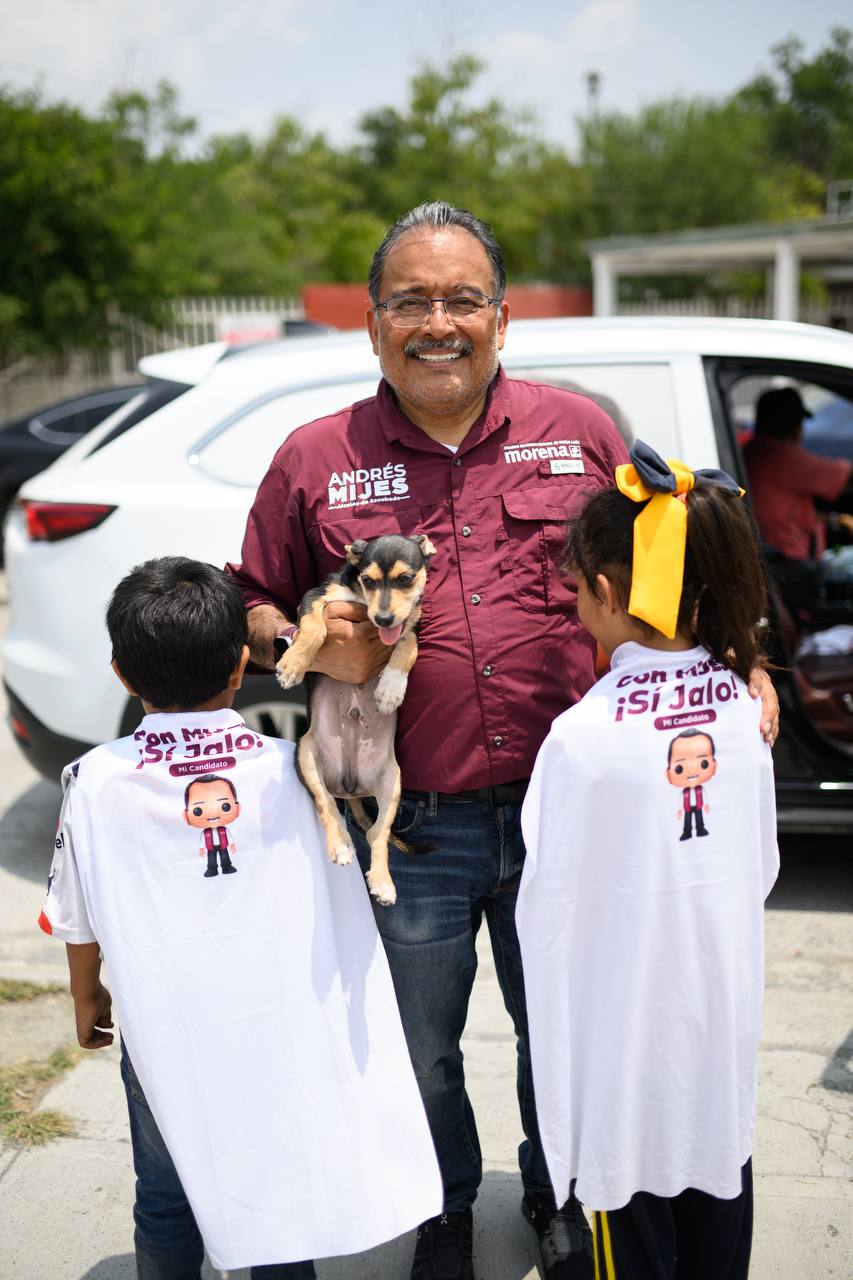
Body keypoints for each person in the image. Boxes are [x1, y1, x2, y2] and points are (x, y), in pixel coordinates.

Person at [226, 202, 780, 1280]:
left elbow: (671, 573)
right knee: (421, 1043)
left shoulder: (583, 429)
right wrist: (300, 636)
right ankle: (441, 1203)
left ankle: (561, 1190)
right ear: (375, 323)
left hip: (571, 814)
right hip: (411, 823)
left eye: (462, 299)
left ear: (502, 317)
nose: (439, 322)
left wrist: (741, 659)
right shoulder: (314, 458)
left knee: (566, 1024)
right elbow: (246, 595)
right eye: (411, 301)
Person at [38, 556, 441, 1280]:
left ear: (120, 674)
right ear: (238, 668)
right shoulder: (290, 767)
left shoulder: (95, 778)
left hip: (165, 1028)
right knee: (277, 1188)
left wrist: (87, 996)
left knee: (165, 1198)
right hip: (274, 1026)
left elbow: (78, 911)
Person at [516, 443, 779, 1280]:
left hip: (621, 1063)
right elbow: (761, 867)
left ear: (602, 589)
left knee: (626, 1236)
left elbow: (547, 915)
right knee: (715, 1213)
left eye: (576, 591)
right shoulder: (742, 709)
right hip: (713, 1044)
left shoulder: (582, 739)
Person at [743, 386, 853, 617]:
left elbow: (784, 510)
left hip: (778, 562)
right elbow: (843, 477)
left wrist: (836, 519)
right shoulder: (783, 457)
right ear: (792, 426)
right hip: (792, 566)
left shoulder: (753, 451)